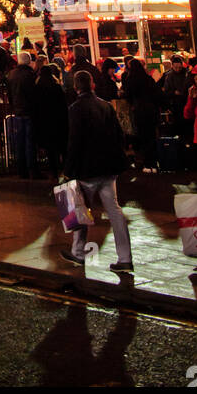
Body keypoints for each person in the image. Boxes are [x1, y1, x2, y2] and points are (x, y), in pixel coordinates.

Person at [60, 70, 133, 273]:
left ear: (75, 87)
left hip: (87, 168)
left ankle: (78, 252)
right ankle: (125, 258)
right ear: (92, 84)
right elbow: (119, 136)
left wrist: (68, 169)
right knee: (115, 212)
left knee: (81, 209)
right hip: (108, 167)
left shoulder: (75, 109)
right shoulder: (106, 105)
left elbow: (74, 141)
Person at [123, 58, 161, 172]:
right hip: (151, 111)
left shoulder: (131, 80)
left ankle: (146, 164)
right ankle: (154, 164)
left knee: (143, 137)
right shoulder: (148, 79)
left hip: (139, 112)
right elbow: (157, 93)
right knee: (152, 137)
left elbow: (128, 94)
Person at [32, 63, 69, 180]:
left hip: (45, 121)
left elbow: (36, 107)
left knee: (50, 148)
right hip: (58, 120)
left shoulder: (37, 88)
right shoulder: (56, 87)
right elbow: (63, 104)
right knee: (62, 146)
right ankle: (65, 169)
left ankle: (54, 170)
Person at [7, 51, 39, 178]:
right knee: (30, 141)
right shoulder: (30, 75)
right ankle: (33, 169)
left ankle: (21, 169)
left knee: (19, 141)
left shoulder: (11, 74)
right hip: (29, 111)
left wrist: (13, 107)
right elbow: (33, 94)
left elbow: (9, 93)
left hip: (18, 111)